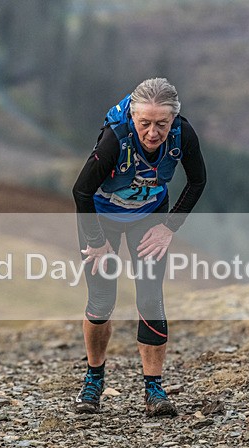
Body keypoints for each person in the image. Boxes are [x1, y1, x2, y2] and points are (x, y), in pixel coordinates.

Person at [72, 78, 207, 417]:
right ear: (132, 117)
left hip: (150, 217)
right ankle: (93, 379)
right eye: (144, 123)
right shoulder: (114, 137)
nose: (152, 132)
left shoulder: (183, 134)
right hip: (101, 217)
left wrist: (168, 227)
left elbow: (197, 180)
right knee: (102, 301)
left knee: (150, 296)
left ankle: (154, 389)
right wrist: (97, 243)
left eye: (161, 124)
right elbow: (81, 192)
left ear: (172, 120)